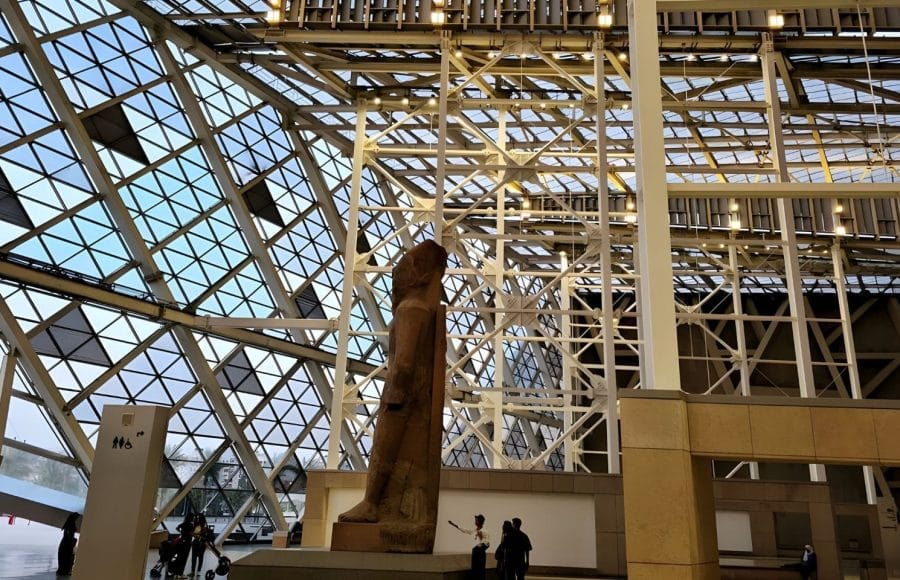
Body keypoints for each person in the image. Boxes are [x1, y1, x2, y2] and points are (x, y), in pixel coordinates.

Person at [449, 514, 490, 580]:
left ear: (479, 522)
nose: (475, 522)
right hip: (475, 552)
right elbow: (466, 530)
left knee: (480, 571)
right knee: (474, 570)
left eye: (476, 520)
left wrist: (481, 538)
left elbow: (487, 544)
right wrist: (455, 526)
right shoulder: (475, 530)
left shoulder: (485, 531)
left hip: (480, 554)